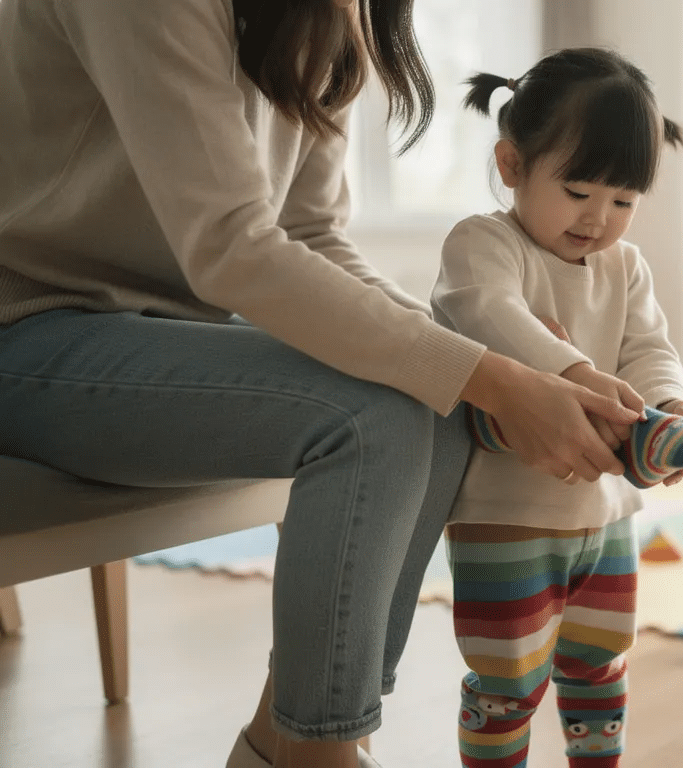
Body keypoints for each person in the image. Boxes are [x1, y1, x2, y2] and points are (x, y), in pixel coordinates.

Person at [0, 3, 645, 768]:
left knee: (435, 396)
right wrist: (493, 376)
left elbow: (311, 234)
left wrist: (487, 365)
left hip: (170, 331)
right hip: (29, 331)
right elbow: (232, 247)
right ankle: (321, 749)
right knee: (384, 409)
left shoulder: (328, 17)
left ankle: (294, 741)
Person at [431, 47, 683, 767]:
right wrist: (573, 373)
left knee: (601, 665)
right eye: (577, 191)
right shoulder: (483, 245)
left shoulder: (625, 267)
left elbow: (648, 347)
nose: (599, 218)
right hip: (506, 518)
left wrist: (667, 398)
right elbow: (490, 316)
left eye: (623, 201)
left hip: (605, 516)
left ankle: (658, 436)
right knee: (507, 682)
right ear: (512, 165)